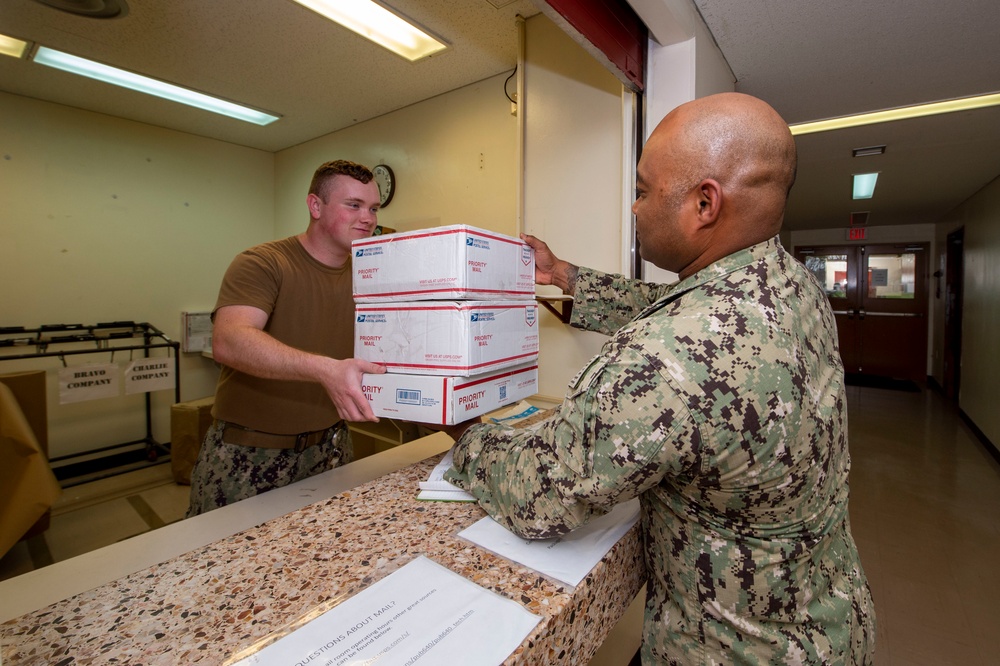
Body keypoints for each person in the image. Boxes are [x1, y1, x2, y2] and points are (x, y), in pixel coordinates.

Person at [444, 93, 876, 664]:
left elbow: (539, 494)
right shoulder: (790, 283)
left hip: (731, 650)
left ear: (704, 203)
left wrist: (461, 425)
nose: (634, 208)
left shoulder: (664, 359)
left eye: (644, 191)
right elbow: (678, 309)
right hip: (828, 621)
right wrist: (564, 275)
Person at [187, 160, 386, 516]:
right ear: (315, 205)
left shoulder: (370, 276)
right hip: (249, 455)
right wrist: (325, 369)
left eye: (373, 208)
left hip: (331, 449)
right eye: (353, 205)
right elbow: (229, 340)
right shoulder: (264, 263)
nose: (367, 218)